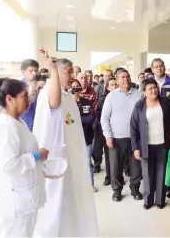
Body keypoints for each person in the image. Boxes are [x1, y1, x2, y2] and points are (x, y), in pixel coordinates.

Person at [33, 55, 98, 237]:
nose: (72, 76)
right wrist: (53, 71)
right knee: (56, 204)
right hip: (57, 161)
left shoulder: (67, 94)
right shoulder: (50, 93)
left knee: (71, 202)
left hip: (73, 157)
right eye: (68, 72)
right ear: (57, 73)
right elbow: (54, 103)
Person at [0, 79, 49, 237]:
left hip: (24, 195)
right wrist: (36, 155)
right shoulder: (6, 127)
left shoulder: (17, 121)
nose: (28, 100)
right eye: (24, 96)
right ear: (9, 99)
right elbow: (8, 164)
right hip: (16, 200)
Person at [130, 78, 170, 209]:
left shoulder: (165, 102)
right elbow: (133, 128)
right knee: (148, 174)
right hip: (146, 146)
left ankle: (160, 200)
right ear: (144, 92)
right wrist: (135, 148)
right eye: (150, 89)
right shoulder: (139, 106)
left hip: (162, 144)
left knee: (161, 172)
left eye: (155, 88)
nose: (154, 90)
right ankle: (148, 200)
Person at [101, 69, 143, 202]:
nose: (125, 79)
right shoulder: (111, 96)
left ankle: (135, 188)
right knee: (116, 166)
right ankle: (117, 190)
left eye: (128, 76)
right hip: (116, 138)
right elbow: (105, 118)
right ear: (117, 80)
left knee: (136, 165)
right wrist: (108, 136)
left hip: (135, 138)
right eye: (122, 77)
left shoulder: (139, 95)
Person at [71, 79, 97, 192]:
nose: (76, 88)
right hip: (71, 138)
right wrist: (78, 120)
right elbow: (66, 121)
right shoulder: (66, 103)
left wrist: (77, 120)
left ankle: (90, 184)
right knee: (73, 163)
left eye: (77, 86)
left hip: (86, 137)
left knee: (87, 162)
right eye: (73, 86)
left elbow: (91, 118)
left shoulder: (87, 102)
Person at [94, 77, 117, 186]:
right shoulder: (103, 99)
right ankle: (109, 177)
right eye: (112, 85)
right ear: (107, 87)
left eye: (116, 84)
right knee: (108, 156)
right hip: (107, 131)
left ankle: (118, 177)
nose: (115, 86)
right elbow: (99, 115)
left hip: (120, 131)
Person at [20, 59, 40, 131]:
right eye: (31, 71)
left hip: (41, 125)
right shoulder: (18, 87)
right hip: (26, 126)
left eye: (36, 70)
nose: (34, 73)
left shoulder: (43, 85)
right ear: (23, 72)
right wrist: (32, 91)